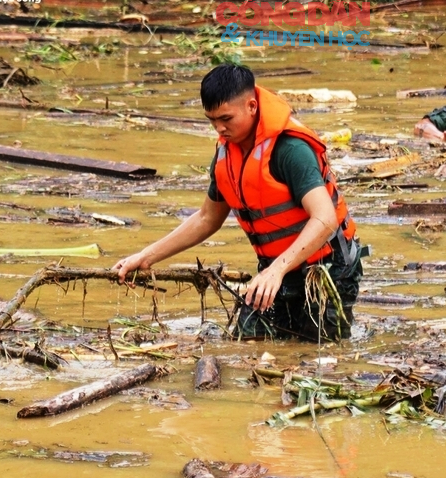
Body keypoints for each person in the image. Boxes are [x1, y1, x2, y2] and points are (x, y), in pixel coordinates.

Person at [113, 64, 363, 343]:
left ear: (252, 106)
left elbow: (325, 218)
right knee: (245, 342)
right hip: (276, 269)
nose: (219, 128)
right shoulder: (225, 152)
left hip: (327, 269)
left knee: (319, 353)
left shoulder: (290, 150)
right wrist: (146, 257)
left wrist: (276, 271)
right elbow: (207, 218)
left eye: (226, 118)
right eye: (211, 120)